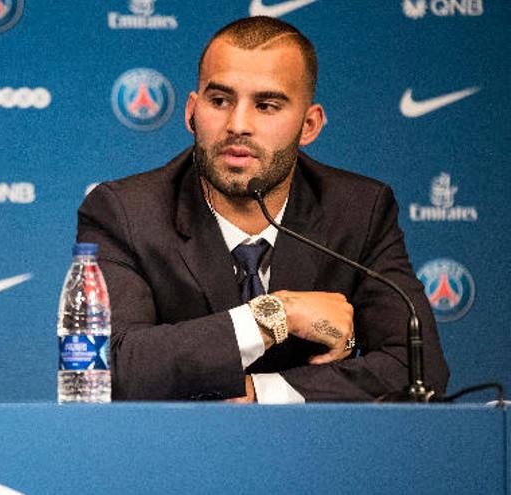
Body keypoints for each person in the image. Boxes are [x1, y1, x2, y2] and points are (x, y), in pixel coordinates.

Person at [77, 16, 449, 402]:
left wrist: (261, 392)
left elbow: (419, 370)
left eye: (266, 105)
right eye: (219, 101)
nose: (238, 124)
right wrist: (277, 315)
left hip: (316, 456)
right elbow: (103, 369)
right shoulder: (125, 212)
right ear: (192, 111)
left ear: (309, 125)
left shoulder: (358, 211)